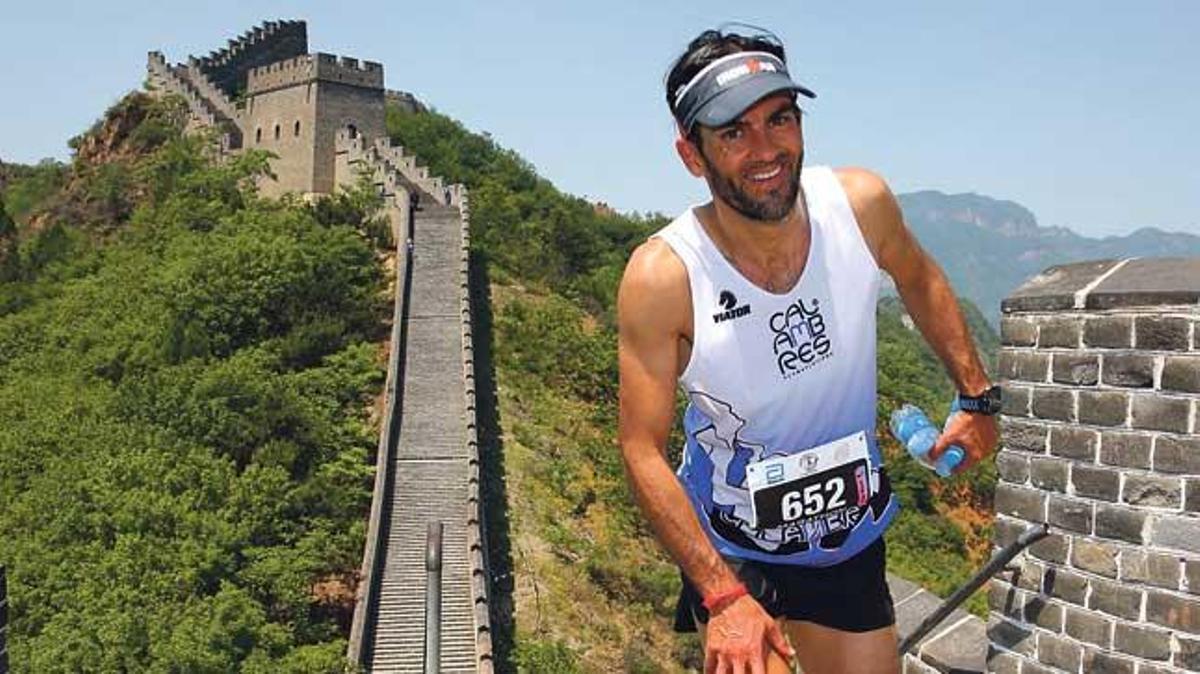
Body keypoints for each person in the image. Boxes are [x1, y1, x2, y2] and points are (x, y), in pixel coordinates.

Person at [616, 27, 1001, 674]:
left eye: (781, 119)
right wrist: (721, 593)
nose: (766, 149)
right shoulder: (666, 276)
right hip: (735, 539)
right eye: (733, 133)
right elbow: (640, 447)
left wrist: (976, 395)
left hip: (846, 527)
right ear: (692, 155)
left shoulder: (859, 205)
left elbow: (918, 275)